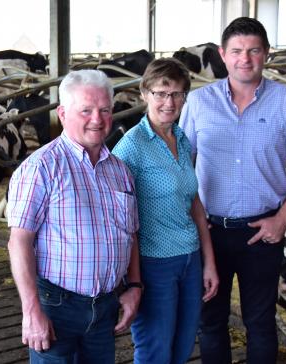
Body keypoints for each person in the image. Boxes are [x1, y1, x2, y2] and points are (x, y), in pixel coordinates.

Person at [178, 17, 286, 363]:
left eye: (254, 50)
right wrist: (190, 220)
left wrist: (283, 218)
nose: (246, 58)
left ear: (266, 54)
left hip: (264, 232)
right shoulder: (199, 103)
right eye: (238, 51)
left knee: (260, 322)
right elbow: (180, 163)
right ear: (222, 55)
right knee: (210, 321)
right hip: (210, 231)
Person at [5, 69, 142, 364]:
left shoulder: (120, 170)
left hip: (106, 306)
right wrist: (31, 312)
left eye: (105, 110)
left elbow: (130, 235)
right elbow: (19, 242)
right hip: (56, 306)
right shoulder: (40, 168)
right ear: (63, 113)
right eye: (86, 110)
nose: (97, 119)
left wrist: (133, 286)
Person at [112, 58, 219, 364]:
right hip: (153, 263)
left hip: (190, 259)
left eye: (176, 94)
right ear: (144, 94)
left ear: (185, 97)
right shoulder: (130, 147)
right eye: (160, 93)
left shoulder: (182, 139)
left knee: (183, 346)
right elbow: (120, 217)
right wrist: (130, 279)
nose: (168, 102)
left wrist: (208, 262)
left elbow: (194, 203)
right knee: (155, 350)